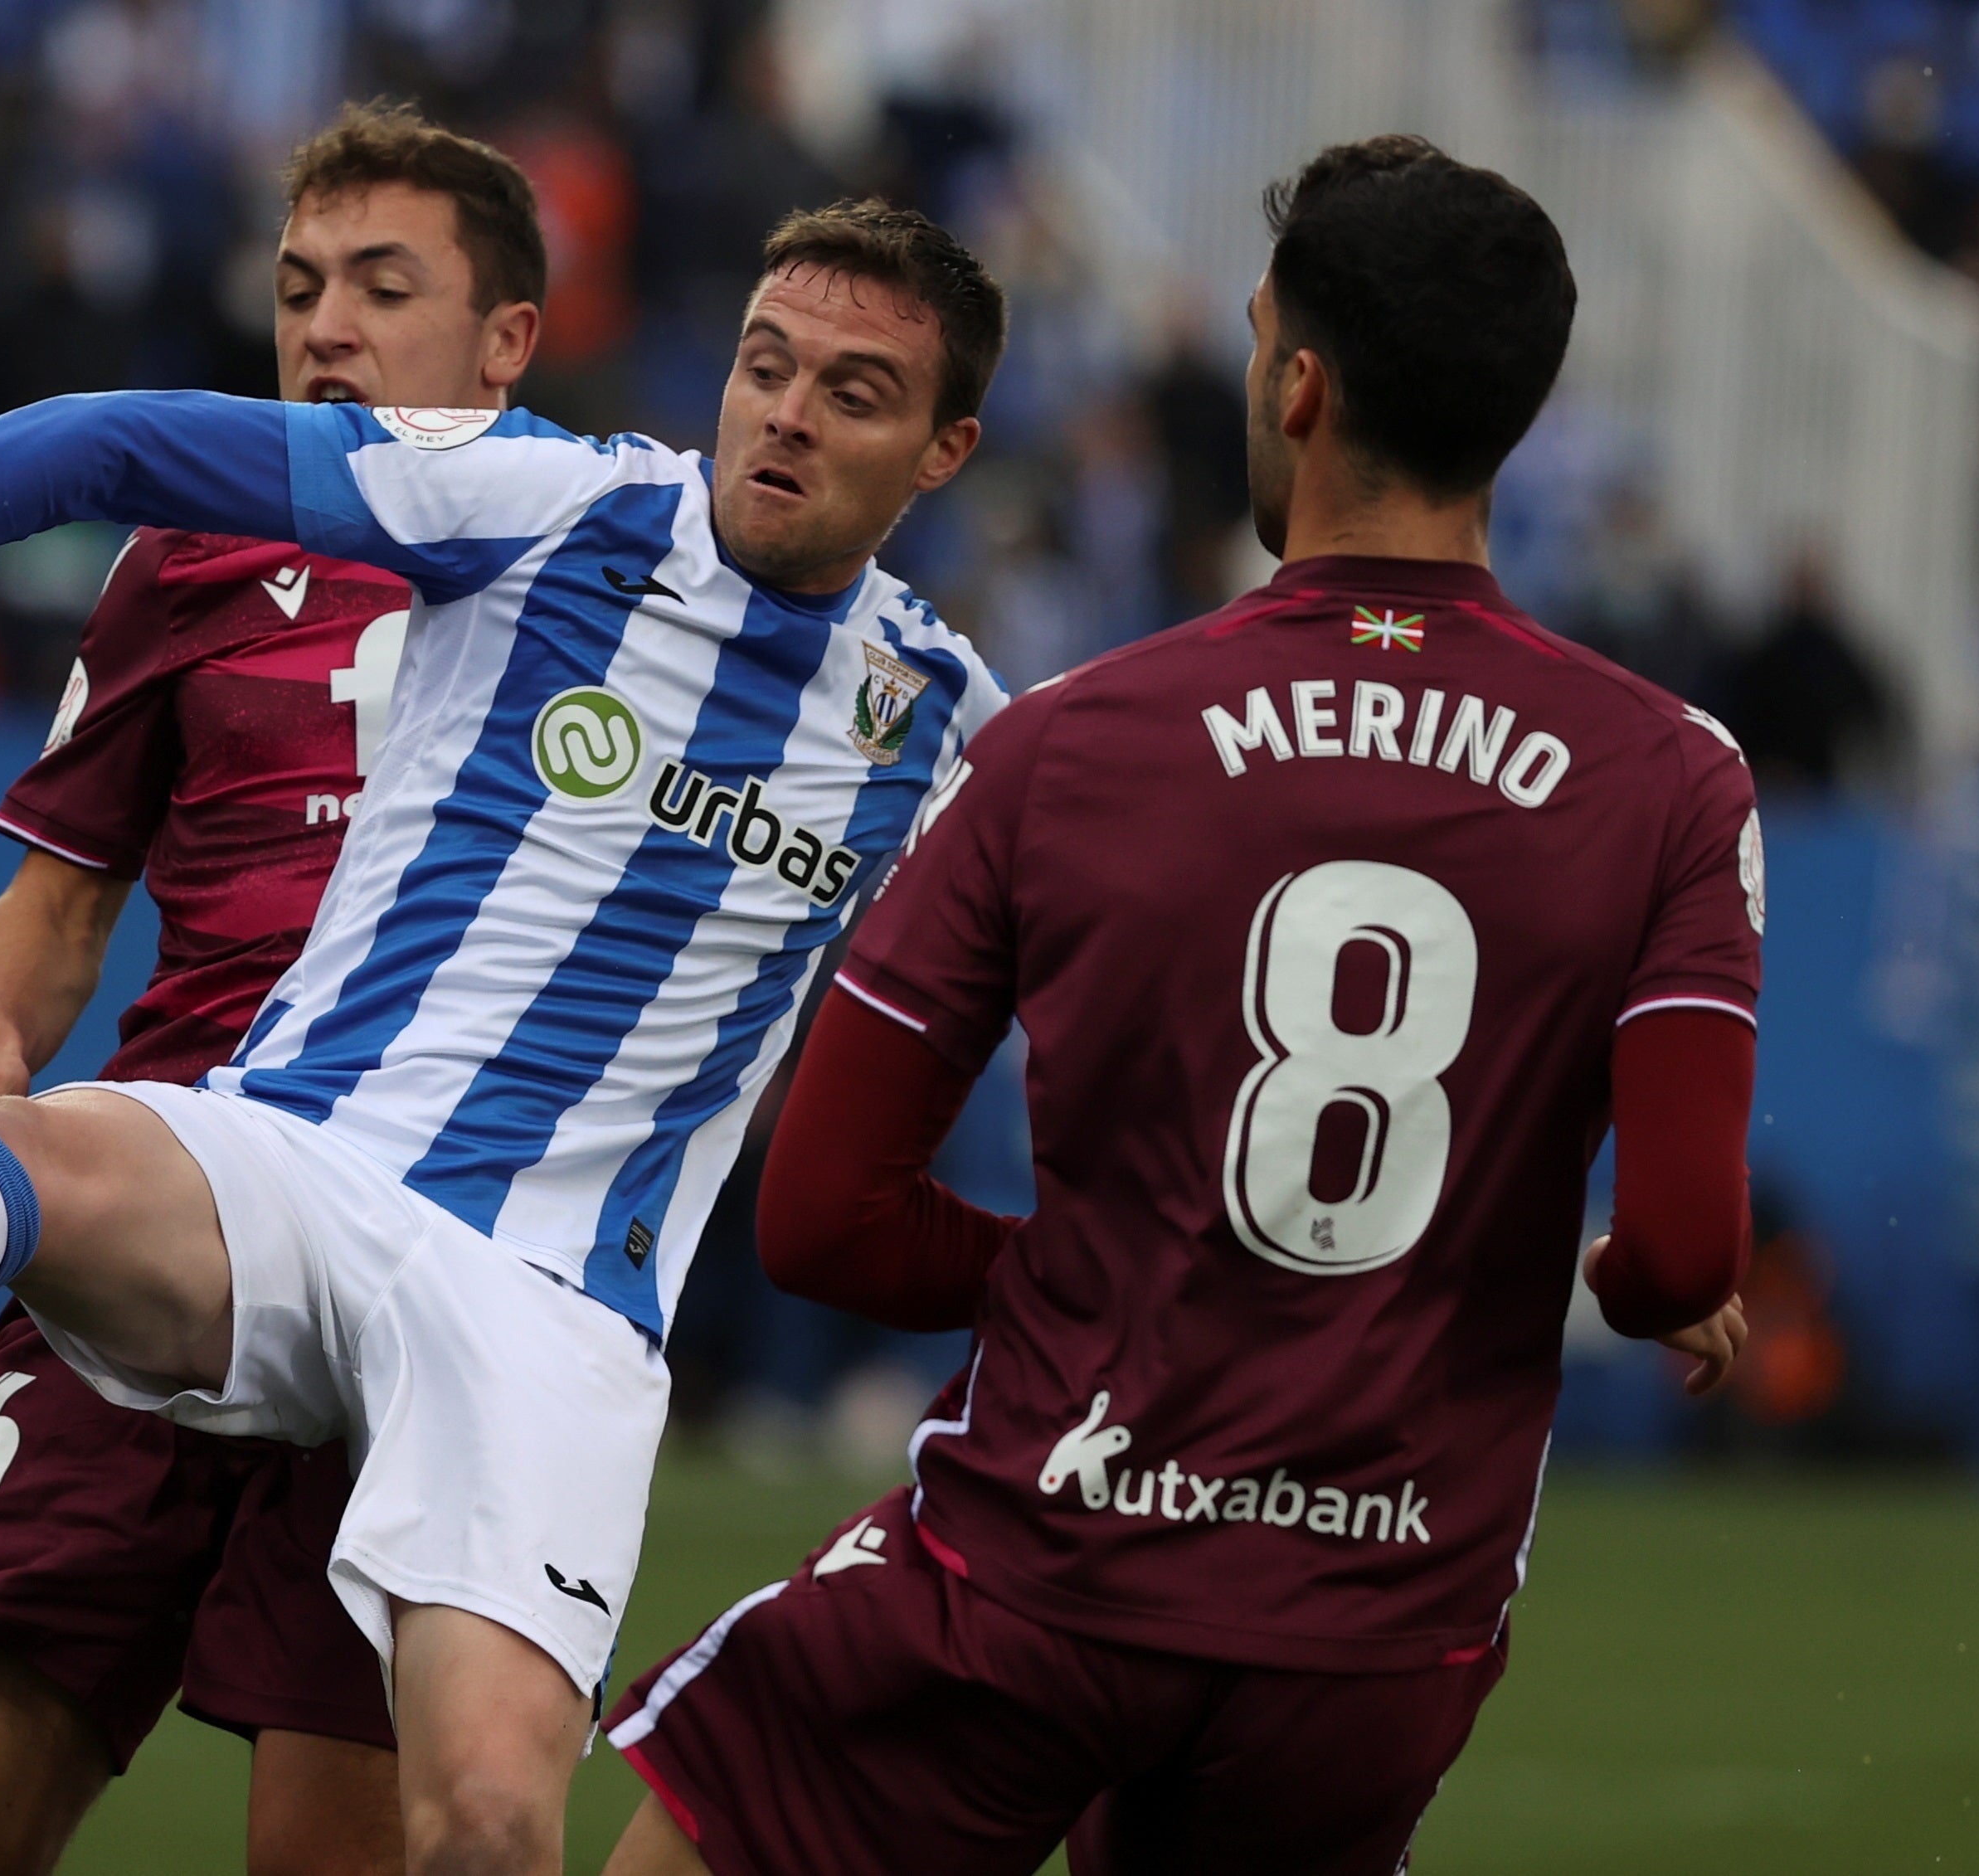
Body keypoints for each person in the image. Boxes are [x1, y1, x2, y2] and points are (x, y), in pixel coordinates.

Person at [0, 197, 1009, 1876]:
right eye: (764, 366)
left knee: (479, 1822)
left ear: (942, 449)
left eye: (851, 391)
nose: (787, 414)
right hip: (312, 1158)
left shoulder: (957, 736)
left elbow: (1138, 964)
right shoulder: (554, 503)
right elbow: (102, 443)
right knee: (59, 1155)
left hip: (553, 1311)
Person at [596, 135, 1759, 1876]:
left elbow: (821, 1220)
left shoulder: (1065, 742)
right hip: (1378, 1629)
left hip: (1044, 1569)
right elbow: (1677, 1255)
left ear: (1296, 386)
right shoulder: (1672, 778)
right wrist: (1623, 1280)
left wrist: (1082, 1278)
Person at [0, 104, 537, 1876]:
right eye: (301, 288)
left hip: (423, 1284)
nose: (326, 330)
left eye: (385, 288)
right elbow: (60, 896)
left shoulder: (615, 570)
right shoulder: (193, 555)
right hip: (157, 1210)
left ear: (506, 340)